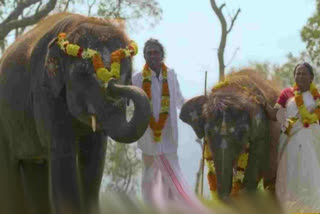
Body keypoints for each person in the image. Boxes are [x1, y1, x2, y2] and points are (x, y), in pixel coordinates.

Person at [132, 39, 203, 210]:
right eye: (149, 52)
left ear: (162, 55)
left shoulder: (170, 74)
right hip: (148, 136)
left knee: (171, 176)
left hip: (169, 135)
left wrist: (197, 107)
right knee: (149, 177)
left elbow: (179, 99)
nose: (153, 55)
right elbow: (133, 104)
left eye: (156, 52)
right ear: (145, 56)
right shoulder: (137, 78)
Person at [263, 62, 320, 212]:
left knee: (310, 173)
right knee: (289, 173)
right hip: (290, 142)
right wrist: (264, 105)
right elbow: (275, 115)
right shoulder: (287, 94)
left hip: (312, 143)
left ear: (311, 78)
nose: (299, 76)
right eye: (297, 73)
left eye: (303, 73)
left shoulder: (317, 97)